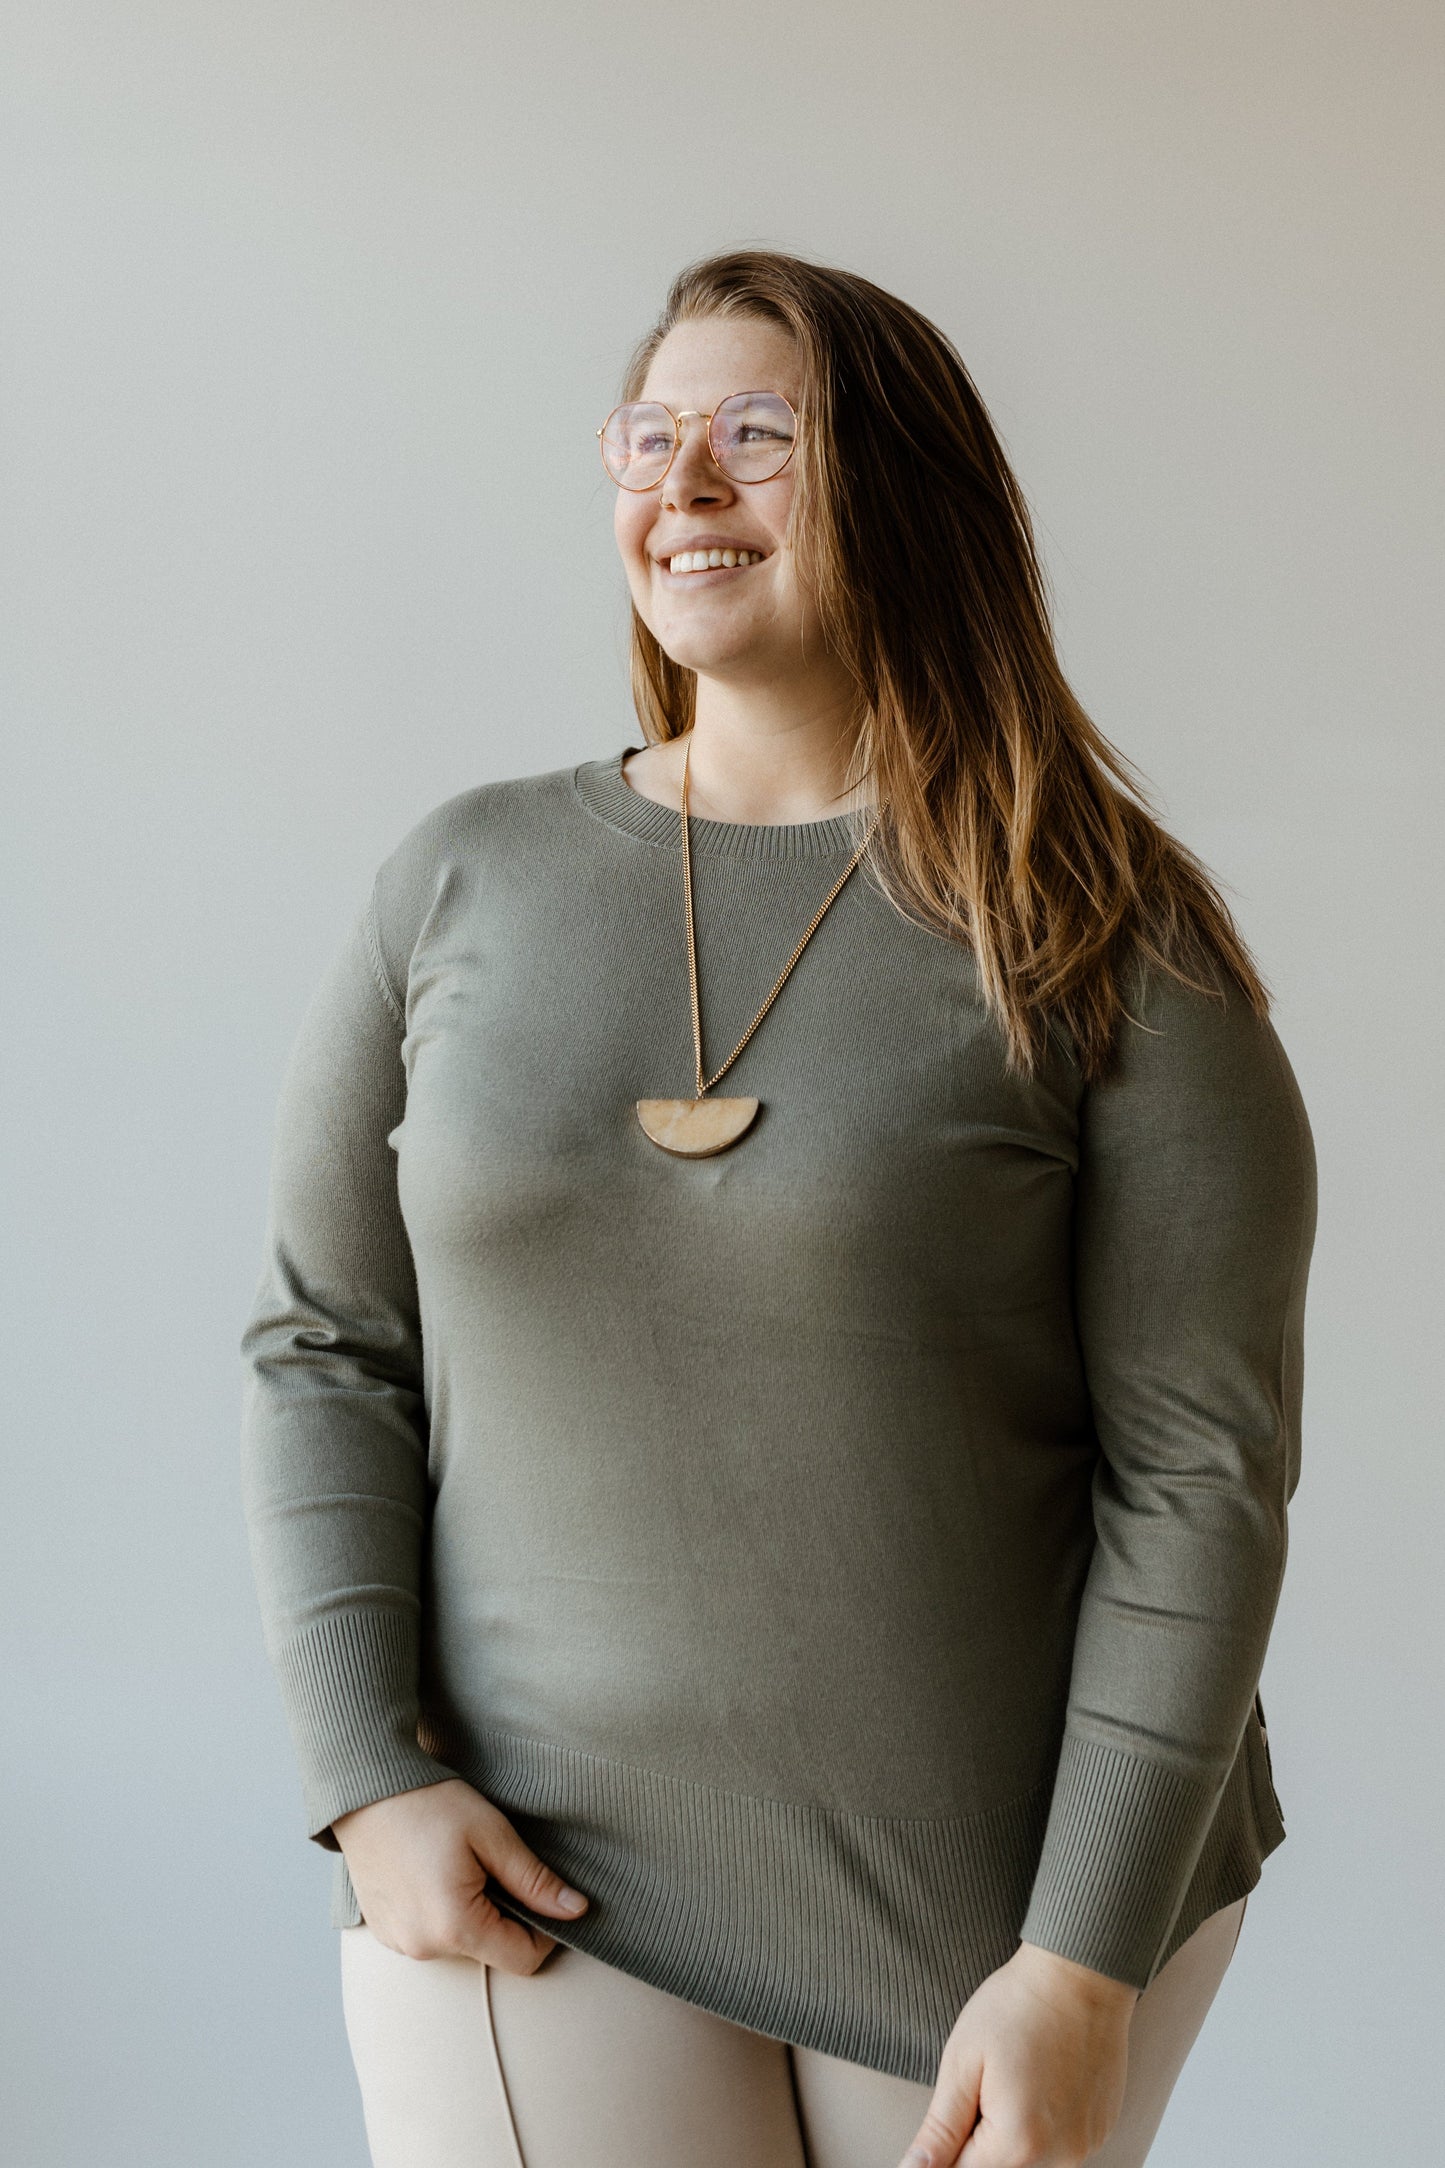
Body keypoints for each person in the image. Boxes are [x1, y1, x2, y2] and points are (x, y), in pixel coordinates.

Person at [239, 249, 1316, 2168]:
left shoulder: (1102, 929)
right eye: (647, 437)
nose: (684, 483)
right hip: (523, 1866)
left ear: (905, 489)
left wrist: (1081, 1960)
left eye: (759, 435)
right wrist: (361, 1773)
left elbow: (1197, 1474)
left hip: (1003, 1899)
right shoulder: (457, 880)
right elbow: (330, 1347)